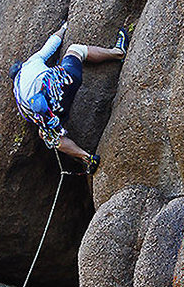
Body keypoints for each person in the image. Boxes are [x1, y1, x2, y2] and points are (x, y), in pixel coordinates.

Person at [9, 23, 128, 174]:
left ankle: (87, 157)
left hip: (54, 112)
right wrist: (64, 27)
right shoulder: (29, 64)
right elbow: (52, 44)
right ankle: (117, 52)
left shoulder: (20, 100)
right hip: (64, 83)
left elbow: (35, 118)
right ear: (20, 67)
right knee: (76, 49)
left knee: (47, 135)